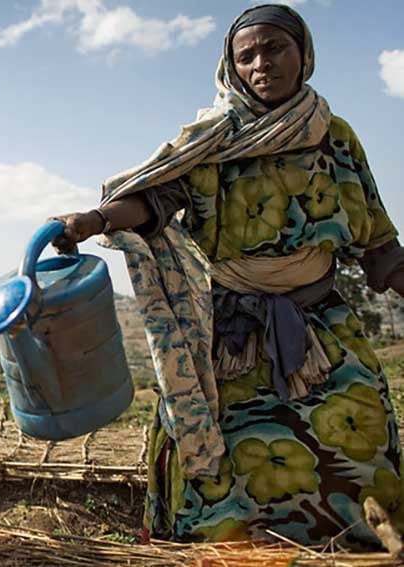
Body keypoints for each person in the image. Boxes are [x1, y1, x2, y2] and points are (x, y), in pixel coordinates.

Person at [51, 4, 404, 548]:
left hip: (322, 326)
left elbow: (377, 240)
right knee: (208, 451)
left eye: (275, 49)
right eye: (247, 56)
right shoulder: (212, 139)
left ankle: (352, 549)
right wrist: (94, 220)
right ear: (231, 67)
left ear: (304, 55)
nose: (261, 64)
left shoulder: (335, 137)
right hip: (231, 334)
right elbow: (155, 200)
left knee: (364, 429)